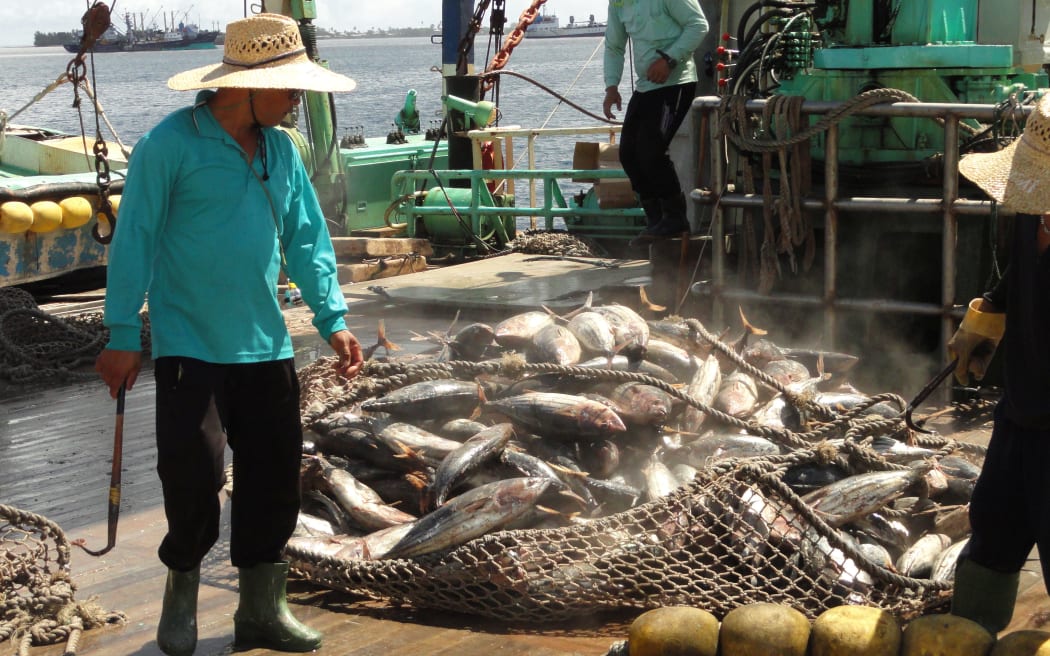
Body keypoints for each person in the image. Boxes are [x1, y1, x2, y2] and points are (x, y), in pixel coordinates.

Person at [94, 13, 364, 655]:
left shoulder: (282, 151)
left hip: (266, 348)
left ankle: (261, 612)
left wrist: (333, 319)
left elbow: (306, 239)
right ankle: (181, 594)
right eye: (291, 87)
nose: (299, 100)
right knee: (190, 478)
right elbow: (133, 239)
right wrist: (122, 331)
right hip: (190, 346)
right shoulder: (169, 145)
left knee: (273, 480)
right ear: (245, 84)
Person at [948, 93, 1050, 634]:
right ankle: (968, 638)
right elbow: (1018, 274)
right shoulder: (1031, 206)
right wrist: (987, 315)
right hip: (1020, 413)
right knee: (992, 529)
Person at [602, 0, 708, 240]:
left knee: (651, 152)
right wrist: (611, 87)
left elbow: (698, 25)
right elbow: (615, 46)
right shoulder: (618, 2)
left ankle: (676, 219)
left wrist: (669, 60)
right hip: (646, 86)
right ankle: (656, 219)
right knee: (628, 154)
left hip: (676, 82)